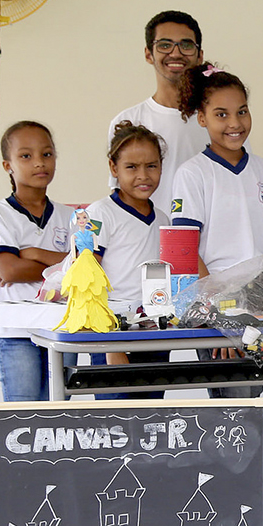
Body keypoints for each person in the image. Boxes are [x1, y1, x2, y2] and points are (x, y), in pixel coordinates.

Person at [170, 63, 263, 398]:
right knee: (229, 416)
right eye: (221, 114)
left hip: (260, 303)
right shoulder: (193, 174)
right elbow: (186, 250)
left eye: (242, 111)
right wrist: (220, 316)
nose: (235, 123)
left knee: (256, 410)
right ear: (202, 118)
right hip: (217, 306)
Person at [0, 121, 74, 401]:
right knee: (24, 413)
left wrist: (33, 253)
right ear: (7, 165)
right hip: (16, 330)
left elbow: (82, 271)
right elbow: (10, 269)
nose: (39, 163)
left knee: (59, 415)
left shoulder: (71, 217)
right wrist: (60, 265)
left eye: (47, 154)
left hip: (61, 327)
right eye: (26, 156)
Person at [83, 122, 169, 399]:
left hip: (153, 336)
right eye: (131, 167)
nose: (143, 176)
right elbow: (86, 281)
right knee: (115, 426)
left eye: (152, 166)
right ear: (113, 168)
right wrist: (112, 346)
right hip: (112, 336)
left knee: (152, 423)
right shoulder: (98, 214)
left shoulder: (164, 221)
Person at [107, 11, 209, 205]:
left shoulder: (219, 120)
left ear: (199, 56)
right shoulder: (127, 121)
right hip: (150, 234)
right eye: (165, 45)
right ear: (148, 54)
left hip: (209, 234)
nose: (176, 53)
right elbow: (120, 200)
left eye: (186, 45)